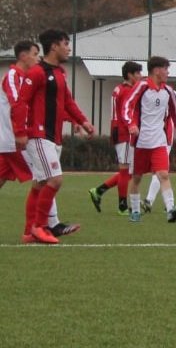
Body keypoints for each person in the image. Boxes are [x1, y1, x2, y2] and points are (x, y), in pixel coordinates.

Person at [13, 29, 96, 244]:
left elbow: (67, 101)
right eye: (65, 44)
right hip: (39, 135)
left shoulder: (59, 73)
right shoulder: (37, 73)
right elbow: (21, 102)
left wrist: (83, 121)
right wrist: (20, 132)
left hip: (53, 136)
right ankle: (40, 227)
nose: (68, 48)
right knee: (55, 180)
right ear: (53, 46)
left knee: (40, 184)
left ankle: (28, 232)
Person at [123, 56, 176, 223]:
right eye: (166, 69)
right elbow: (127, 106)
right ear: (157, 70)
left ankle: (171, 210)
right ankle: (135, 211)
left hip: (159, 142)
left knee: (163, 175)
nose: (168, 72)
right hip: (140, 142)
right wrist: (131, 124)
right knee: (137, 178)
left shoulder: (169, 92)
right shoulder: (142, 87)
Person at [90, 61, 142, 215]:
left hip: (118, 130)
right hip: (124, 132)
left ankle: (99, 190)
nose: (140, 76)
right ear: (129, 75)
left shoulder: (119, 89)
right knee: (126, 171)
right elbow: (127, 114)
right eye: (137, 73)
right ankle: (122, 206)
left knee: (128, 171)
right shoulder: (127, 91)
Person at [0, 42, 38, 201]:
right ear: (23, 56)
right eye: (35, 54)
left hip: (12, 141)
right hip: (14, 141)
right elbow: (17, 103)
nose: (38, 58)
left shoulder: (26, 79)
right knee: (47, 177)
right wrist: (20, 132)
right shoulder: (12, 76)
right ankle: (48, 223)